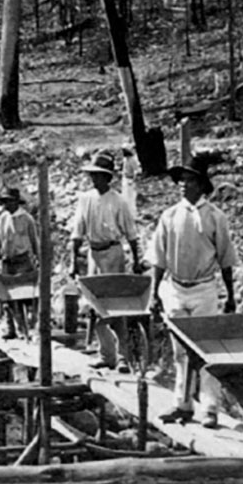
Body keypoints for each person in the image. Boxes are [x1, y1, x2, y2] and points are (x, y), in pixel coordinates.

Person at [148, 155, 238, 429]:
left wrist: (230, 295)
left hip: (204, 290)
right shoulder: (170, 216)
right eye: (181, 181)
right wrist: (154, 293)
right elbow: (159, 258)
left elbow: (225, 259)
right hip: (176, 289)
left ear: (201, 185)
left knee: (206, 350)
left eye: (188, 181)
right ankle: (182, 403)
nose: (183, 186)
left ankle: (210, 407)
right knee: (180, 352)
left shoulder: (215, 217)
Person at [69, 151, 143, 374]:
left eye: (99, 176)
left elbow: (131, 233)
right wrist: (74, 261)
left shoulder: (118, 201)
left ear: (108, 178)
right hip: (94, 253)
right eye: (93, 175)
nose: (95, 180)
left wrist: (137, 261)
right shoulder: (85, 199)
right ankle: (106, 354)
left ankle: (122, 357)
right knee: (96, 306)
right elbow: (77, 231)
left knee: (116, 306)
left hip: (113, 253)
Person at [0, 187, 39, 338]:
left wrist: (39, 260)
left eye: (9, 201)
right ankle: (12, 328)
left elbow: (34, 241)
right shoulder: (3, 218)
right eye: (4, 202)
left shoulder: (26, 219)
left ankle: (28, 330)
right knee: (7, 297)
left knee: (24, 296)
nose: (6, 205)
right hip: (7, 261)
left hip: (22, 260)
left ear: (16, 202)